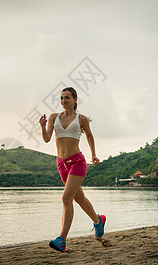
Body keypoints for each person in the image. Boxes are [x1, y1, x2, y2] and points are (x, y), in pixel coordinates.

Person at [39, 87, 106, 252]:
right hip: (61, 164)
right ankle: (98, 220)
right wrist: (42, 126)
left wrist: (94, 154)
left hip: (77, 162)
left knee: (66, 199)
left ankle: (62, 239)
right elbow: (47, 139)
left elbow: (89, 135)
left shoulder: (81, 119)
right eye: (61, 98)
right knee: (80, 198)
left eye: (67, 98)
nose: (63, 101)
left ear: (76, 100)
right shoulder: (54, 117)